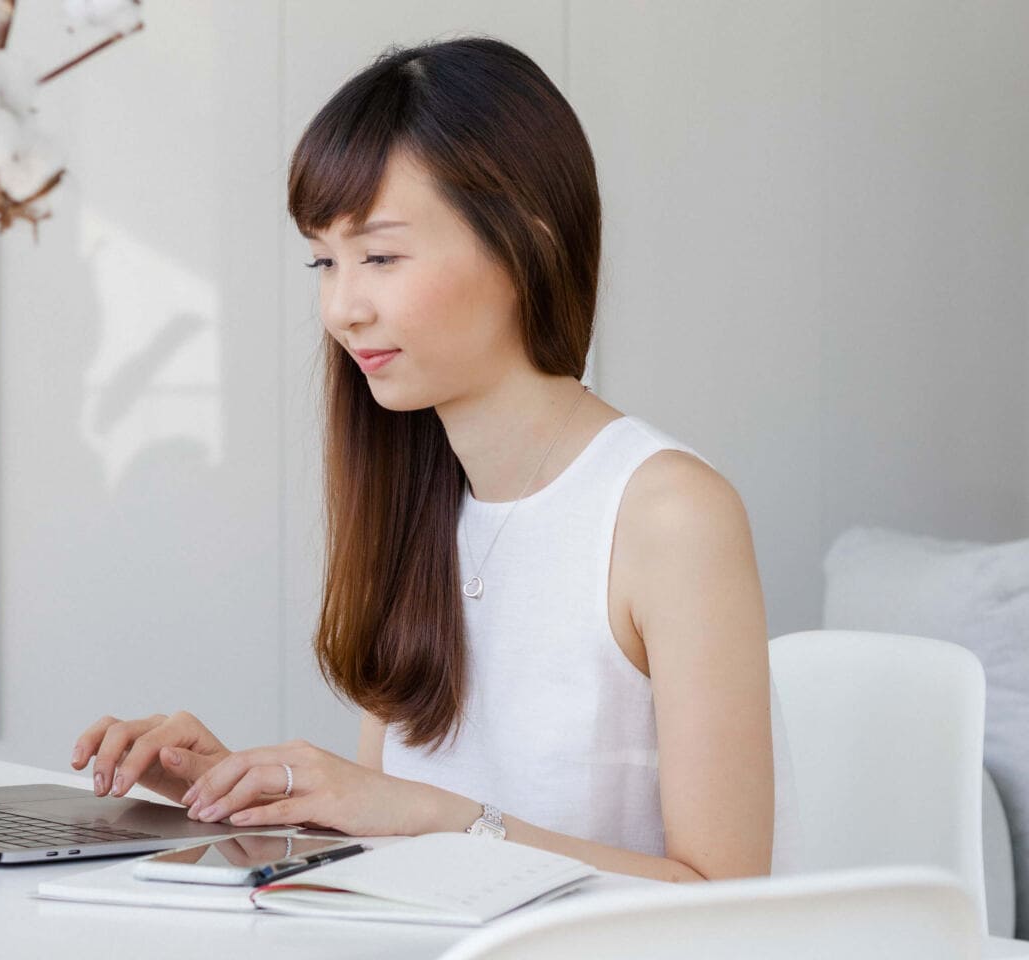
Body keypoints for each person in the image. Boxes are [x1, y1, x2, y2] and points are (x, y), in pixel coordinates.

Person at [70, 35, 801, 883]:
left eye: (379, 256)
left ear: (526, 247)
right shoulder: (418, 503)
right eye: (324, 260)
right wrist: (238, 792)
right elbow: (387, 847)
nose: (344, 307)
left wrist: (439, 819)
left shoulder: (669, 514)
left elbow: (724, 900)